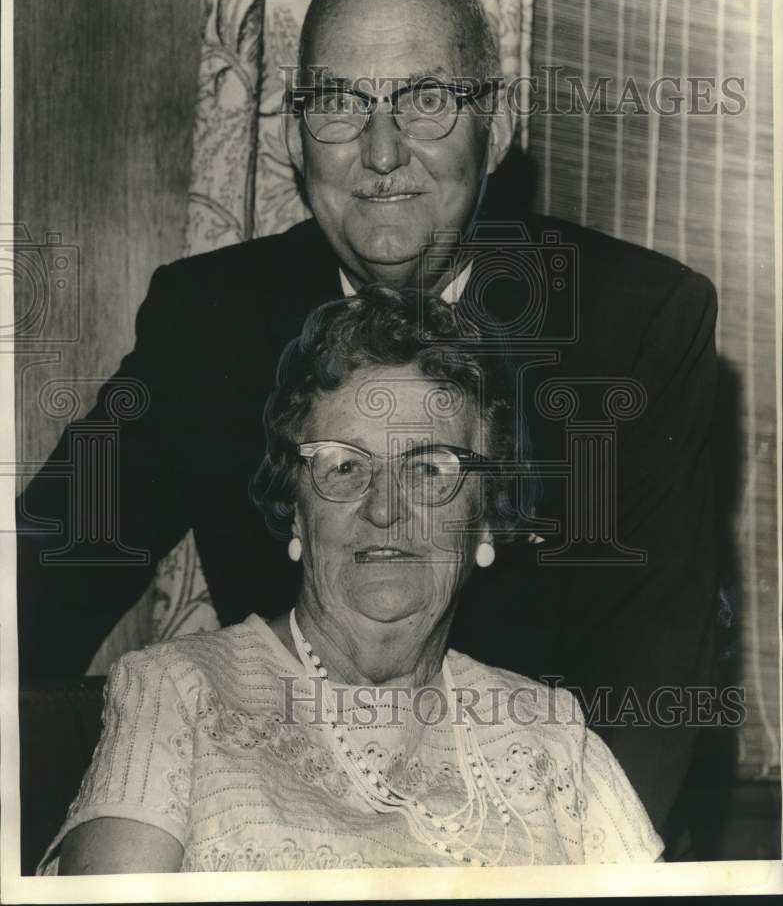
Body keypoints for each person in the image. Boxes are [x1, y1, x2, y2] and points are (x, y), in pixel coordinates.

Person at [17, 0, 718, 838]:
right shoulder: (212, 322)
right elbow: (43, 578)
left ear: (491, 129)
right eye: (339, 104)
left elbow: (656, 681)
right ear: (290, 135)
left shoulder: (636, 323)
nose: (382, 154)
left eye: (425, 100)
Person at [40, 288, 663, 874]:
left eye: (428, 469)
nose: (384, 508)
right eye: (345, 466)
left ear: (485, 521)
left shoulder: (553, 734)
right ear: (298, 512)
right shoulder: (176, 696)